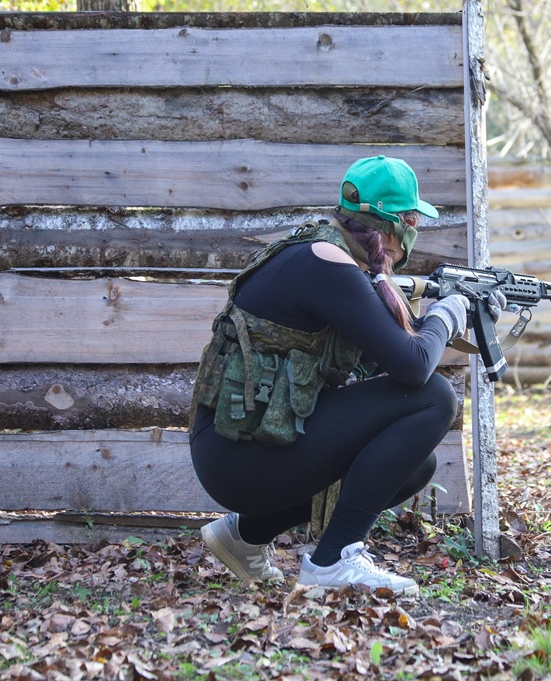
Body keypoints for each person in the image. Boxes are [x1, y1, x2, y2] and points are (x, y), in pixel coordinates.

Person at [188, 155, 482, 595]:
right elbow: (414, 366)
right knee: (436, 397)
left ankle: (245, 535)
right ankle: (332, 563)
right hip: (238, 456)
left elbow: (392, 356)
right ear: (394, 226)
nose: (416, 232)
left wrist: (452, 315)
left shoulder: (327, 254)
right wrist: (448, 314)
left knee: (415, 466)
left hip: (240, 446)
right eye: (413, 220)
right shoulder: (326, 262)